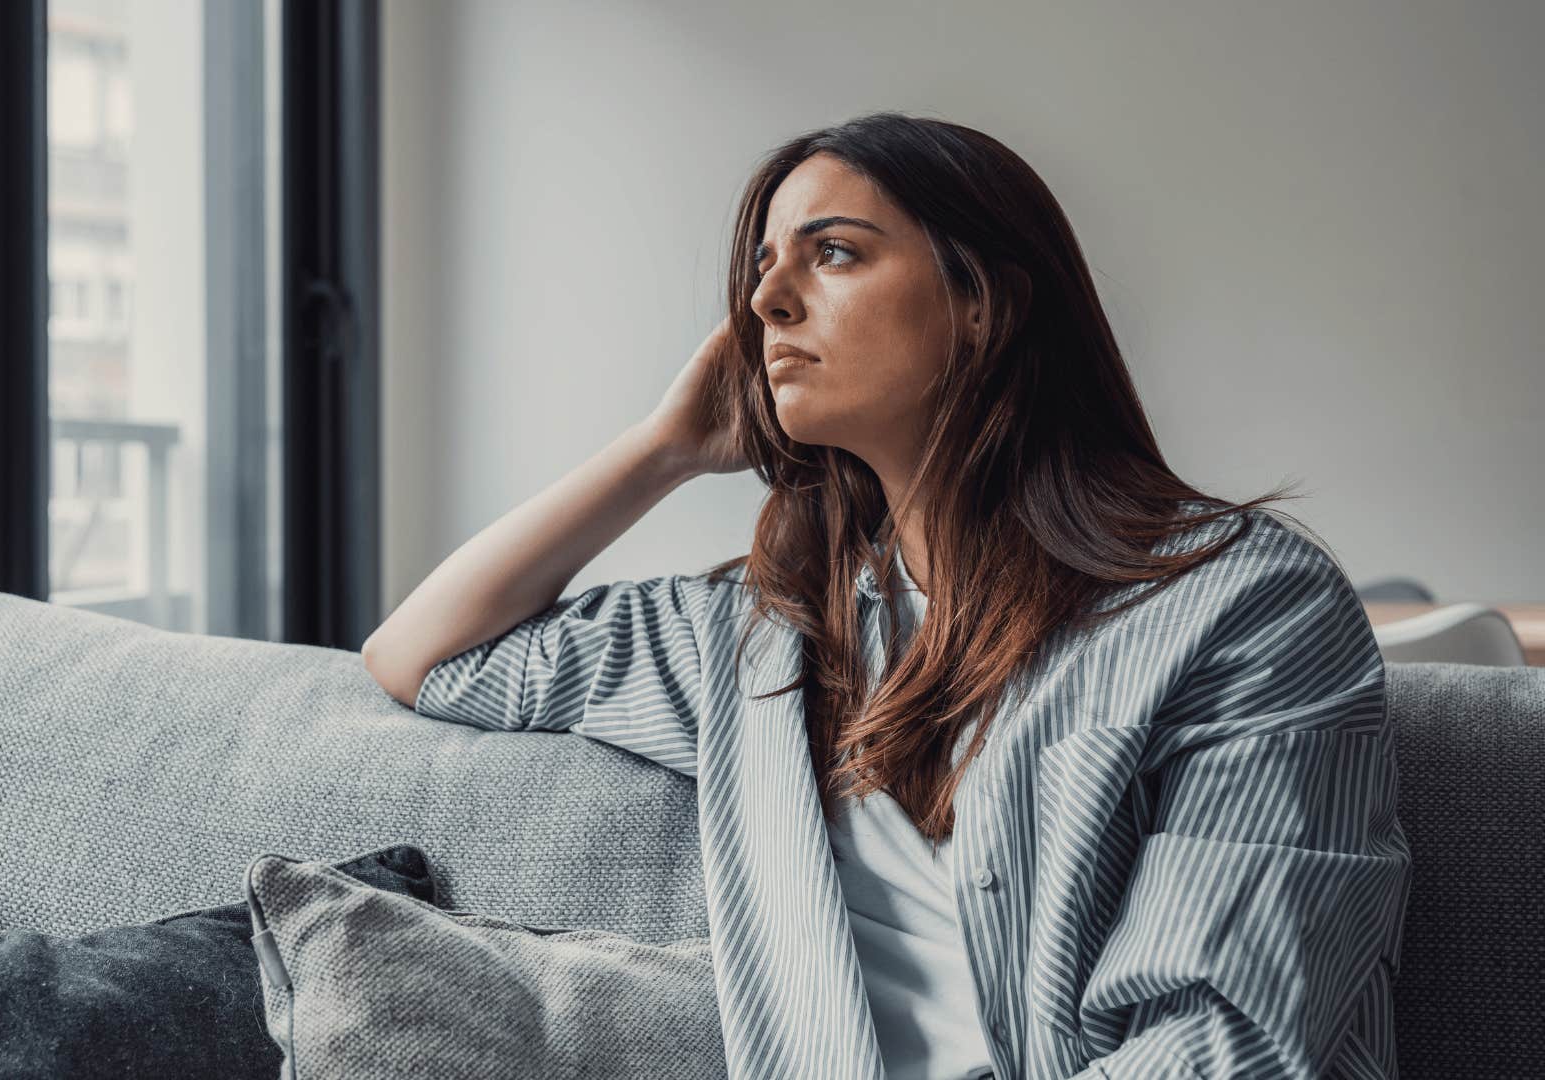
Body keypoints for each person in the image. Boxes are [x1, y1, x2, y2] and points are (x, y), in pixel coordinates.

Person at [362, 111, 1411, 1080]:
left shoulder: (1241, 607)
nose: (767, 300)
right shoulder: (763, 640)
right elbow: (424, 653)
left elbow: (1228, 1044)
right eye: (765, 268)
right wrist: (662, 451)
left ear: (982, 303)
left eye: (833, 252)